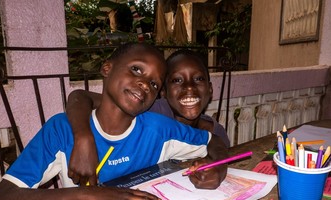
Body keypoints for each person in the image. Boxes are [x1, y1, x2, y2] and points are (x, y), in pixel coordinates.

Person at [0, 43, 228, 200]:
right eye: (136, 70)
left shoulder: (159, 129)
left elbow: (213, 140)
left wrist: (219, 167)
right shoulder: (62, 131)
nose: (144, 83)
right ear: (107, 68)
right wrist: (87, 195)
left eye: (154, 84)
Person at [66, 49, 230, 186]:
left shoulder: (215, 132)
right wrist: (83, 137)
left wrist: (218, 169)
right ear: (163, 91)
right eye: (177, 80)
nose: (189, 87)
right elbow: (79, 96)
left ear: (209, 89)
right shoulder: (147, 109)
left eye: (198, 79)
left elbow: (219, 153)